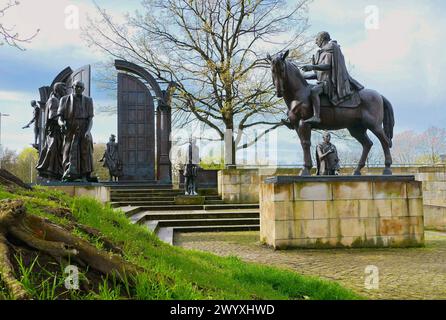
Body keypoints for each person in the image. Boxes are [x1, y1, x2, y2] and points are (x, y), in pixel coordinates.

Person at [301, 31, 364, 125]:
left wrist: (312, 67)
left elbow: (327, 66)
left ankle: (316, 116)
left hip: (328, 83)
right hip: (322, 81)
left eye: (317, 39)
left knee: (314, 92)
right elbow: (318, 74)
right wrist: (302, 76)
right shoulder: (322, 53)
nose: (315, 42)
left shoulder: (329, 50)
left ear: (322, 39)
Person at [57, 80, 95, 182]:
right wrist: (61, 124)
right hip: (70, 127)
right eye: (77, 86)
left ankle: (85, 175)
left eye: (81, 88)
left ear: (83, 89)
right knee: (68, 150)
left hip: (84, 127)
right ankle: (68, 173)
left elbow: (90, 119)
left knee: (85, 151)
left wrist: (88, 131)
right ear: (73, 87)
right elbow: (59, 117)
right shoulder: (64, 99)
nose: (78, 89)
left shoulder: (88, 100)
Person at [36, 83, 67, 180]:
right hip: (54, 131)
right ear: (58, 89)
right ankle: (50, 172)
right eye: (64, 89)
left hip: (57, 130)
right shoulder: (54, 100)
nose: (65, 91)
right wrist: (63, 123)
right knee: (53, 149)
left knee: (57, 151)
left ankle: (56, 173)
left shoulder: (58, 100)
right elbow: (53, 116)